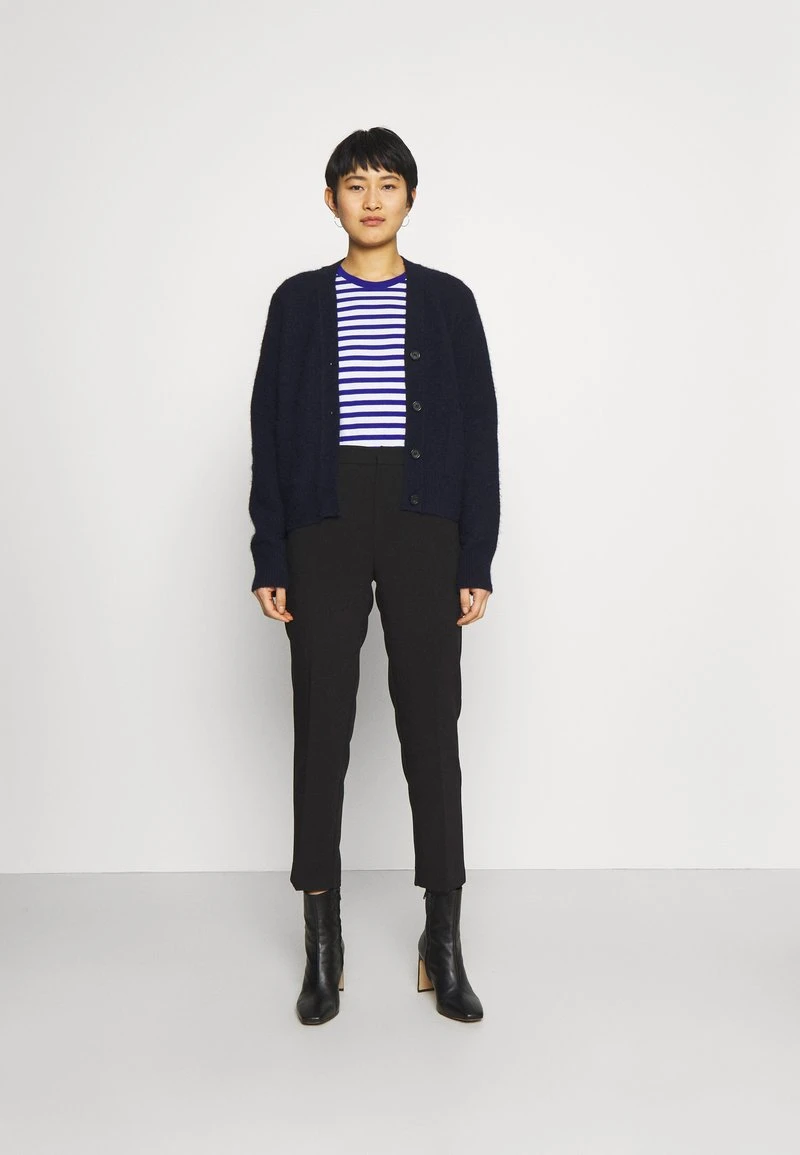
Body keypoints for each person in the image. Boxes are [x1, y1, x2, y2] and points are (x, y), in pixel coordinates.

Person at [248, 126, 501, 1026]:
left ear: (410, 199)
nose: (371, 199)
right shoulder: (297, 301)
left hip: (424, 517)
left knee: (432, 724)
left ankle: (443, 941)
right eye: (354, 184)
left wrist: (475, 556)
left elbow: (479, 430)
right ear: (331, 200)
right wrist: (270, 552)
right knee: (321, 722)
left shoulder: (447, 301)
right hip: (323, 519)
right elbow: (268, 428)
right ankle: (324, 944)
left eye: (387, 184)